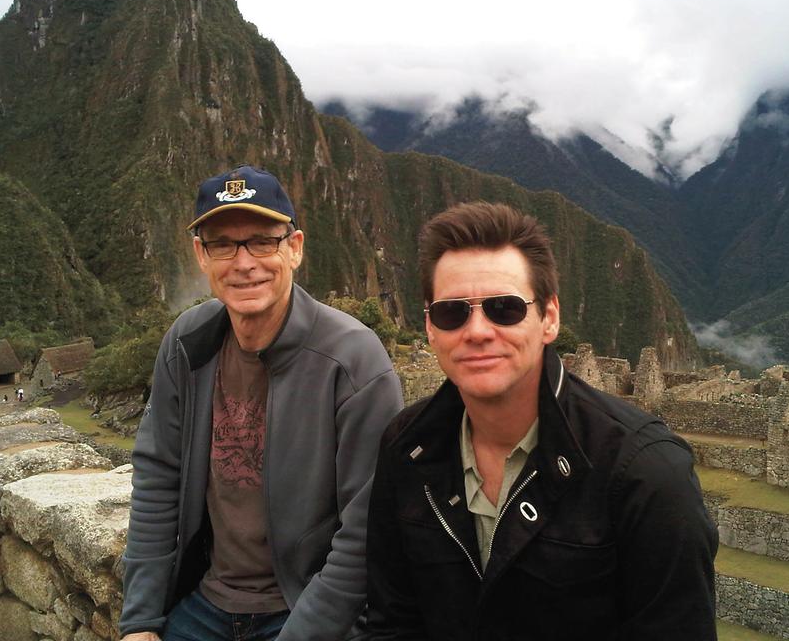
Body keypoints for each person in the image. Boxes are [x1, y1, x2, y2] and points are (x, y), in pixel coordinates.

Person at [366, 201, 717, 640]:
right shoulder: (406, 448)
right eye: (452, 312)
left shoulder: (644, 476)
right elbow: (391, 619)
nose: (477, 331)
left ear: (549, 317)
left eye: (504, 308)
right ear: (431, 328)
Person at [119, 165, 404, 641]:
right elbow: (157, 479)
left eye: (262, 241)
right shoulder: (188, 344)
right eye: (223, 244)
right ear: (201, 256)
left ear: (293, 248)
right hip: (204, 604)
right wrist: (140, 622)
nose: (244, 262)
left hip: (303, 608)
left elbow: (367, 528)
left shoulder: (352, 360)